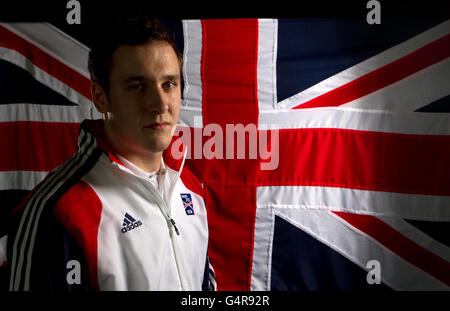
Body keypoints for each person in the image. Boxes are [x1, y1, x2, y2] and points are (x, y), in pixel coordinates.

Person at [6, 15, 216, 291]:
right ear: (101, 97)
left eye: (169, 84)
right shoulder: (57, 210)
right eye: (138, 86)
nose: (160, 103)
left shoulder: (189, 186)